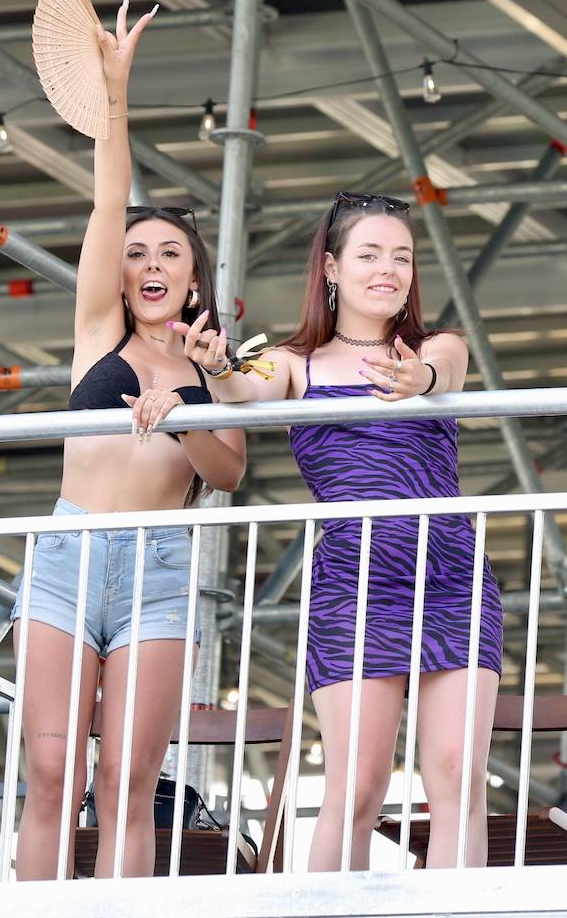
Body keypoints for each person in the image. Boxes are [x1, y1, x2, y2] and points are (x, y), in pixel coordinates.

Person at [175, 191, 500, 869]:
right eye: (371, 255)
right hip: (353, 581)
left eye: (403, 257)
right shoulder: (295, 360)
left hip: (450, 575)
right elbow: (243, 386)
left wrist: (419, 378)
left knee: (459, 778)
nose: (390, 270)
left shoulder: (434, 345)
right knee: (355, 787)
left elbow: (449, 371)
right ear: (330, 266)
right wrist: (215, 368)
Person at [12, 0, 246, 879]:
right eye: (139, 253)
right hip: (69, 551)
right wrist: (116, 91)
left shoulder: (215, 362)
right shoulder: (96, 335)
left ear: (194, 281)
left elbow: (226, 473)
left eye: (170, 256)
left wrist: (188, 408)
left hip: (158, 571)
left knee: (129, 778)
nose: (150, 265)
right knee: (49, 771)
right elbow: (111, 190)